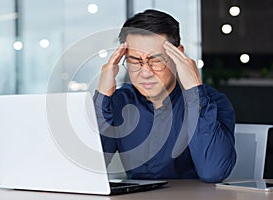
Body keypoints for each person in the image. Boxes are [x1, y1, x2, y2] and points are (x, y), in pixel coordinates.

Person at [93, 9, 236, 183]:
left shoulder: (213, 102)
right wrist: (102, 96)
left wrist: (194, 92)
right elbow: (92, 166)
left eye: (156, 60)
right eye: (134, 61)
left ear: (179, 55)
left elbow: (213, 172)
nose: (145, 73)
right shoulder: (118, 103)